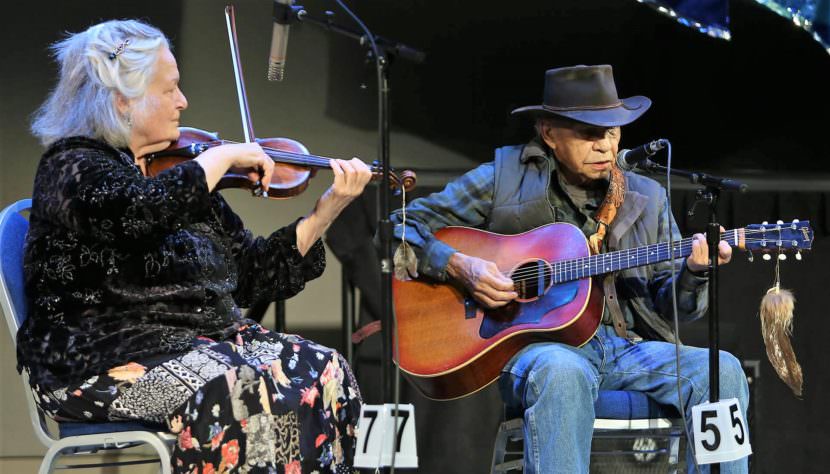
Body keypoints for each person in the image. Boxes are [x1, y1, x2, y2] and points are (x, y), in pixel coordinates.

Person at [17, 19, 370, 473]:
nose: (183, 102)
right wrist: (218, 159)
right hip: (97, 360)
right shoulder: (72, 169)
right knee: (236, 388)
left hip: (196, 344)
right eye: (170, 90)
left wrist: (326, 212)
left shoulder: (181, 173)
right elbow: (139, 214)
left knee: (322, 368)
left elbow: (252, 275)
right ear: (123, 100)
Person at [390, 65, 749, 473]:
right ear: (548, 133)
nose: (605, 147)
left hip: (628, 347)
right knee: (564, 371)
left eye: (612, 133)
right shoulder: (503, 178)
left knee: (722, 371)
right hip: (537, 351)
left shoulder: (646, 196)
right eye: (589, 133)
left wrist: (694, 272)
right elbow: (398, 226)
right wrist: (460, 266)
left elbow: (676, 308)